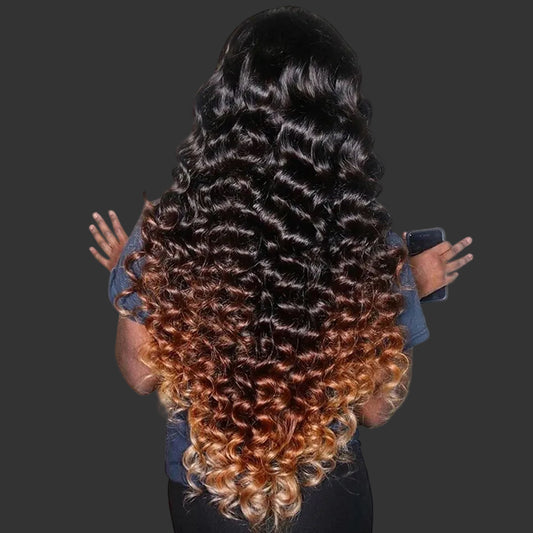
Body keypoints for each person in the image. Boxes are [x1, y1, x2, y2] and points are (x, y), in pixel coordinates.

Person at [89, 6, 474, 532]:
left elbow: (139, 374)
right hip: (323, 492)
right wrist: (407, 283)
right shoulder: (369, 250)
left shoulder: (165, 232)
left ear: (222, 108)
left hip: (207, 491)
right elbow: (375, 410)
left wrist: (132, 275)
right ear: (339, 125)